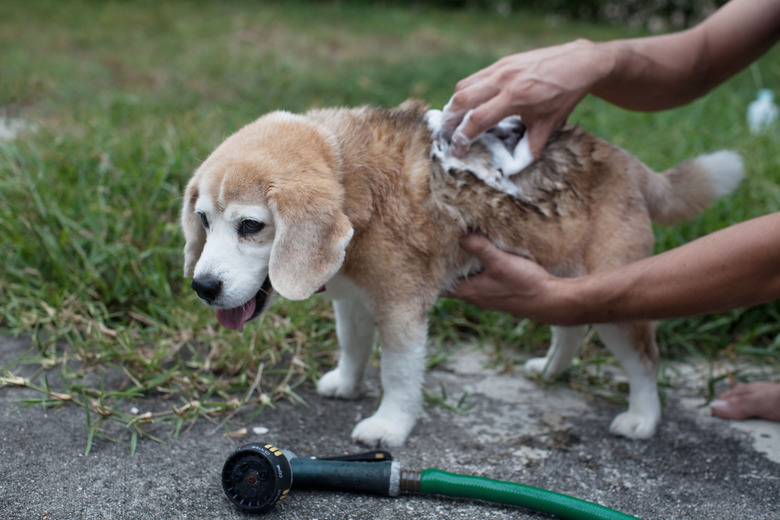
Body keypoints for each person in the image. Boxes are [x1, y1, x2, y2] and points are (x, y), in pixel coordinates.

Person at [442, 0, 780, 423]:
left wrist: (561, 298)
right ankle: (559, 360)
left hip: (610, 191)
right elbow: (705, 52)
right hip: (585, 179)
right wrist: (596, 57)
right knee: (571, 269)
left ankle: (644, 391)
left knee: (599, 280)